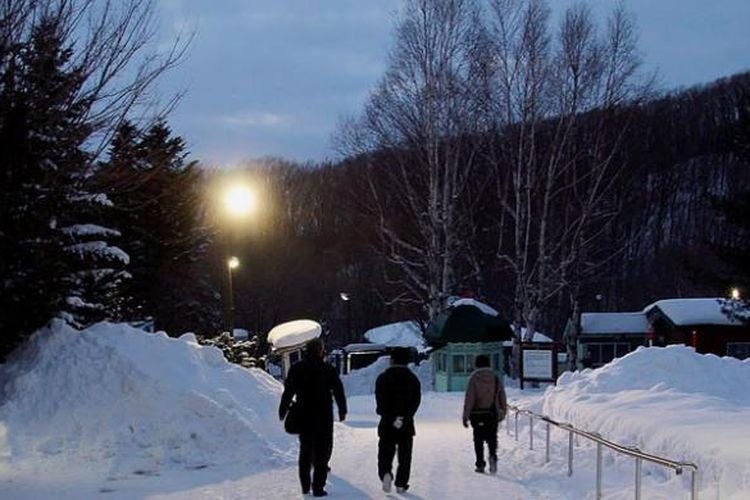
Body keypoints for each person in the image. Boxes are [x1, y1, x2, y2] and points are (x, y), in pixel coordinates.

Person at [279, 338, 347, 497]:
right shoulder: (328, 369)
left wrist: (283, 409)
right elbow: (338, 390)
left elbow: (288, 391)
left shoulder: (297, 368)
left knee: (305, 450)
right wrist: (342, 410)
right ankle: (318, 487)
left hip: (303, 413)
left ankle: (305, 486)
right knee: (322, 452)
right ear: (320, 351)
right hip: (323, 415)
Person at [375, 347, 421, 493]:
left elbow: (380, 401)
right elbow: (416, 401)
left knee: (385, 452)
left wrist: (389, 416)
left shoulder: (383, 378)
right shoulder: (413, 379)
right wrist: (405, 416)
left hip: (387, 422)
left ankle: (386, 473)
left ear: (392, 359)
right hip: (406, 423)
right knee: (405, 455)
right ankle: (401, 482)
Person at [462, 354, 507, 474]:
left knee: (478, 439)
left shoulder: (474, 378)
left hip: (477, 414)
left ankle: (480, 464)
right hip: (492, 413)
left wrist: (465, 416)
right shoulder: (495, 378)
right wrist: (503, 411)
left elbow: (469, 398)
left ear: (477, 364)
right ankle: (493, 456)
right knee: (492, 438)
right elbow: (502, 395)